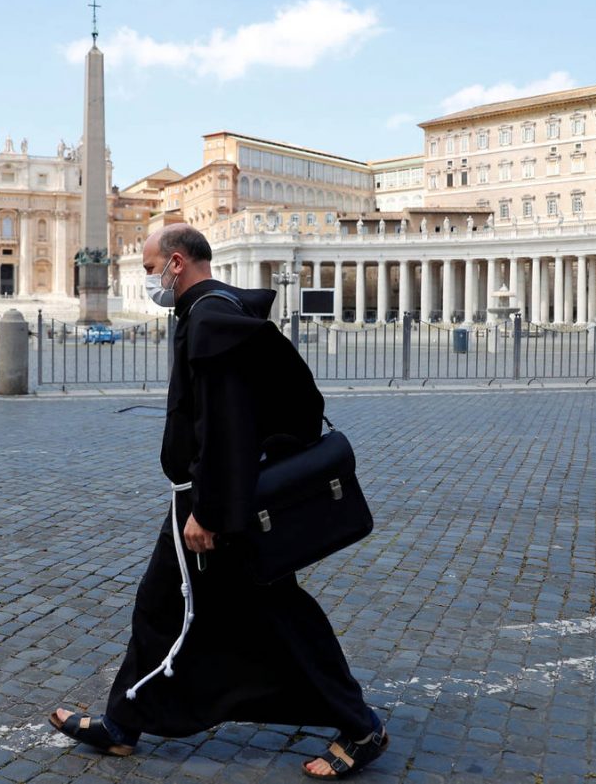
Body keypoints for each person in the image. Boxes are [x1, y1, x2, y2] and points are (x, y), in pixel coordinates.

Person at [51, 224, 389, 779]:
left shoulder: (209, 321)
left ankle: (361, 725)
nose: (148, 279)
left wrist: (208, 513)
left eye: (149, 266)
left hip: (214, 500)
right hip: (210, 492)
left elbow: (227, 427)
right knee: (163, 604)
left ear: (177, 263)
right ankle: (122, 723)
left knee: (276, 613)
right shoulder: (219, 308)